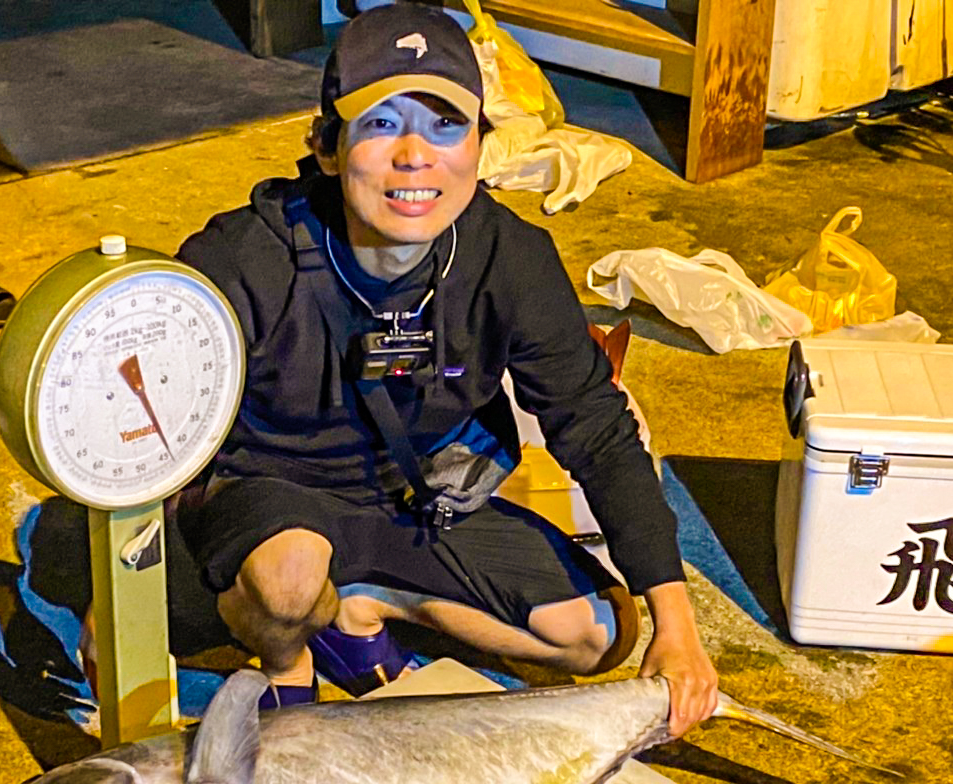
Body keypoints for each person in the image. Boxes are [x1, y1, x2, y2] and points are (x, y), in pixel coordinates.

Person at [172, 2, 717, 733]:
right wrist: (120, 614)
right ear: (327, 147)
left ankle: (357, 606)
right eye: (382, 123)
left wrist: (676, 624)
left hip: (418, 497)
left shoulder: (510, 258)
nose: (415, 156)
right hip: (275, 497)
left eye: (445, 125)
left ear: (479, 146)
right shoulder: (238, 259)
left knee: (602, 636)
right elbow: (147, 437)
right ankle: (286, 660)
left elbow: (594, 424)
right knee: (288, 580)